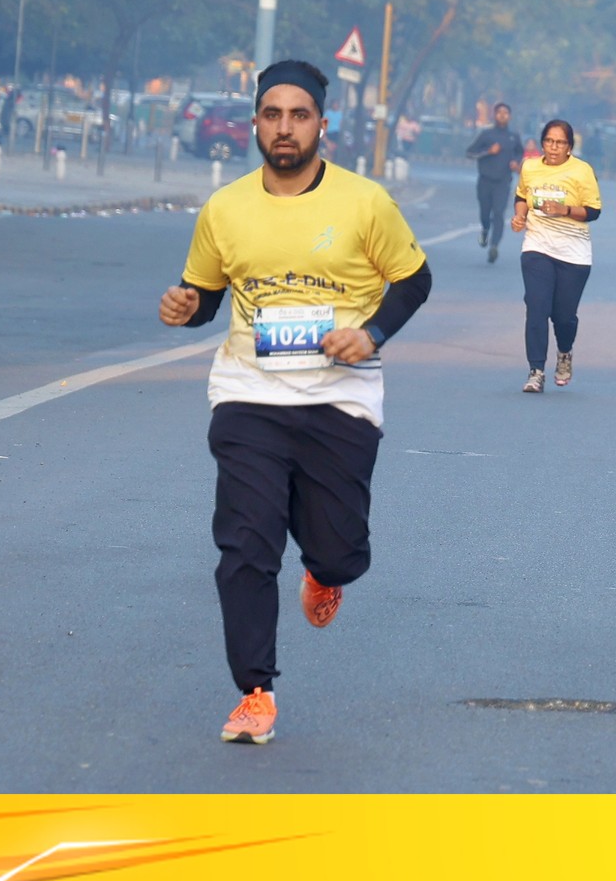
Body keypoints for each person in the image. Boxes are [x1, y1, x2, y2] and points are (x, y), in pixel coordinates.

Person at [157, 59, 431, 745]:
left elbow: (413, 280)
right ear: (255, 122)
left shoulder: (364, 202)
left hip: (341, 396)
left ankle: (324, 572)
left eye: (298, 115)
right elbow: (207, 293)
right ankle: (255, 692)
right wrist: (188, 307)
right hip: (248, 392)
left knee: (339, 549)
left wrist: (370, 335)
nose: (285, 128)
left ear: (321, 125)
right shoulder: (225, 207)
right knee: (246, 543)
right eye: (272, 115)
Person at [513, 117, 602, 392]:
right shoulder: (530, 167)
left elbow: (593, 211)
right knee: (536, 307)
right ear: (542, 143)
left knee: (563, 317)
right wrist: (519, 216)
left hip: (573, 253)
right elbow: (521, 197)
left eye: (560, 143)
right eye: (549, 141)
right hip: (537, 246)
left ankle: (564, 351)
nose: (554, 147)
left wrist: (564, 210)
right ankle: (536, 371)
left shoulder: (582, 171)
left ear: (569, 147)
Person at [464, 105, 523, 264]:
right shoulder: (486, 134)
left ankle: (494, 246)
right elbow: (470, 153)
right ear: (494, 115)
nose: (502, 115)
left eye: (505, 113)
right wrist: (489, 152)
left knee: (498, 213)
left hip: (503, 182)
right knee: (485, 213)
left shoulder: (513, 136)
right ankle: (485, 229)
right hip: (485, 180)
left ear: (510, 116)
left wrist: (515, 162)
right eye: (499, 113)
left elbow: (519, 152)